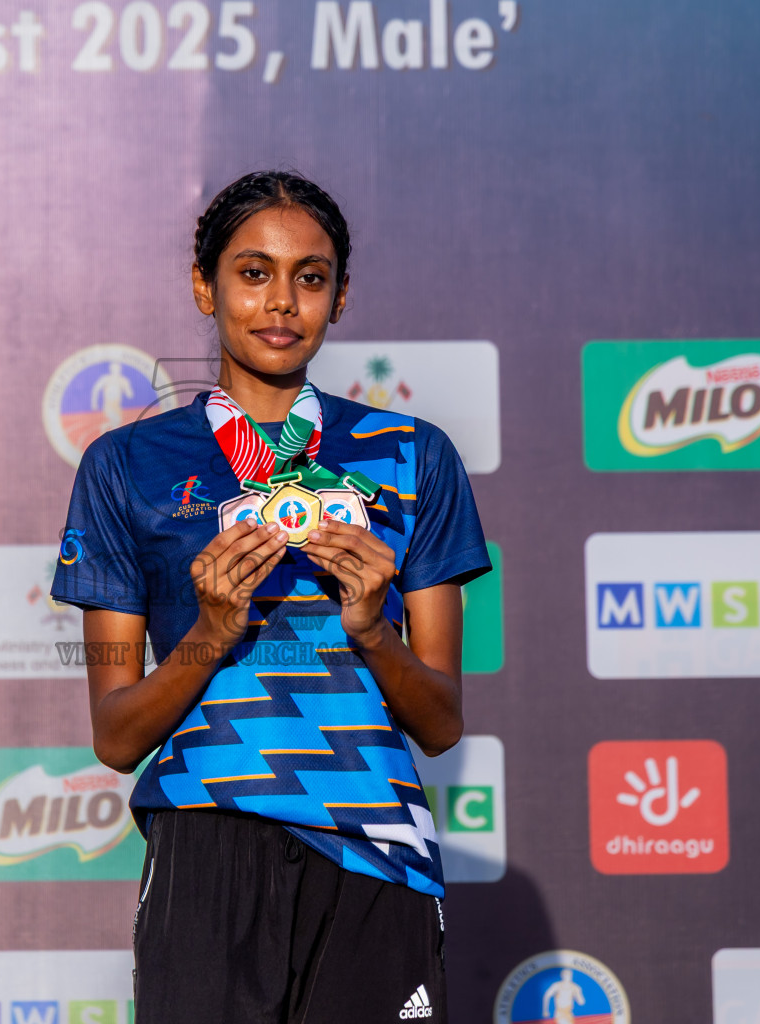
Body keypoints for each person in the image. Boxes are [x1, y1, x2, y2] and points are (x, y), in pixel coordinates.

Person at [51, 170, 491, 1023]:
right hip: (206, 841)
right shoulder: (125, 465)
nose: (282, 301)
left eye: (311, 278)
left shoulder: (414, 455)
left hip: (376, 857)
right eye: (253, 272)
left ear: (341, 296)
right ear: (203, 286)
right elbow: (115, 734)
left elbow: (440, 723)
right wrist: (212, 629)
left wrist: (371, 627)